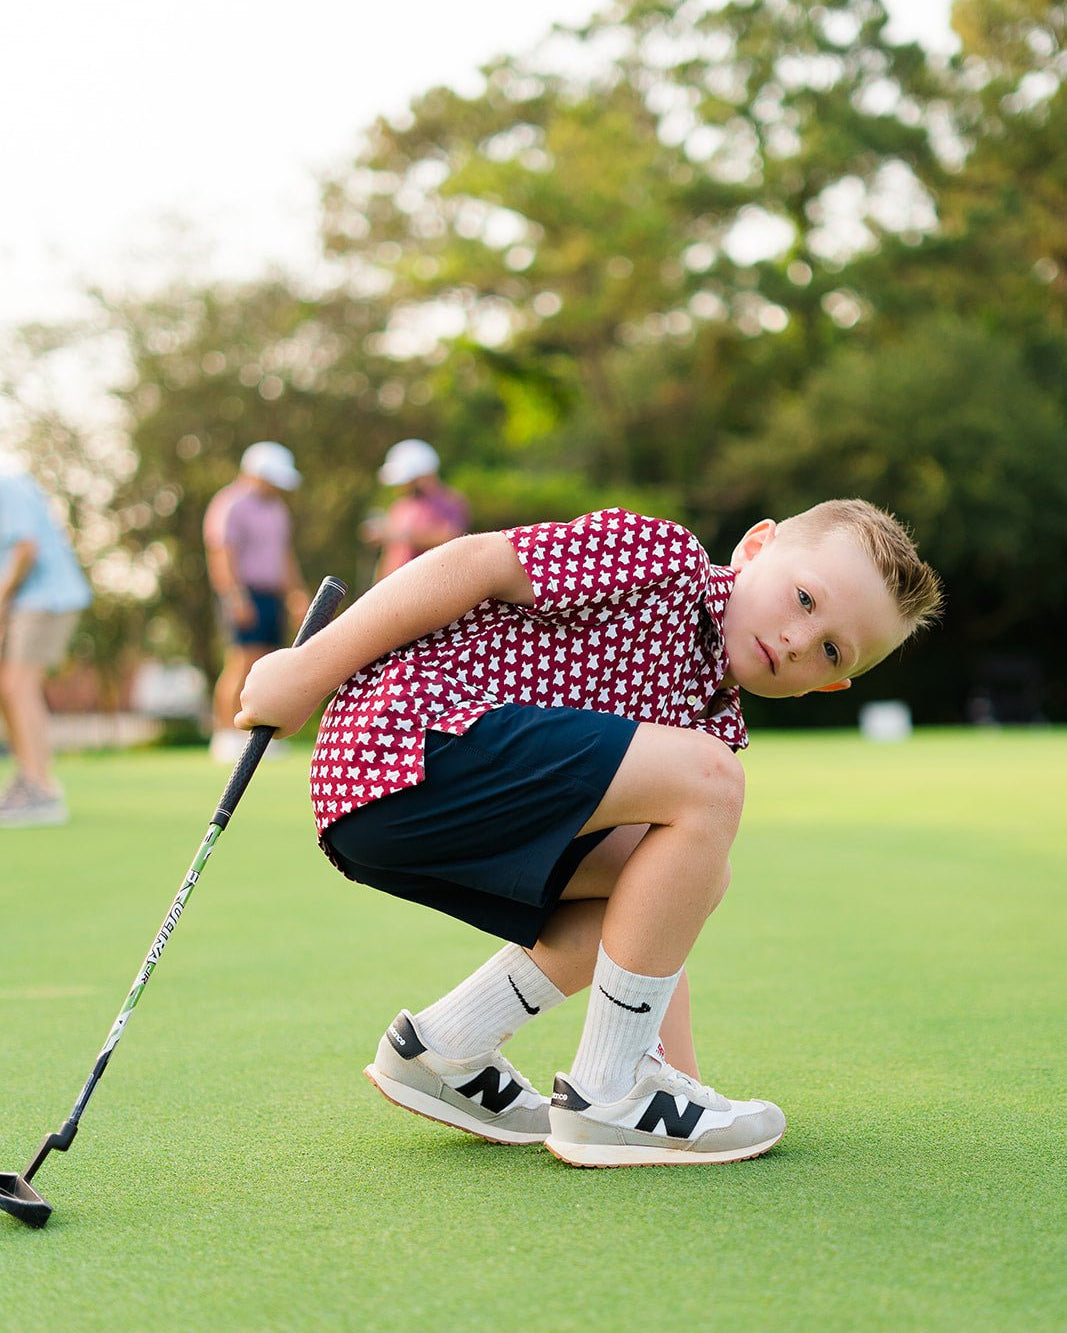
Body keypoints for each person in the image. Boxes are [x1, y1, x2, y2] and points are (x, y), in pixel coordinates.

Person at [234, 500, 943, 1168]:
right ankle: (610, 1090)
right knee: (709, 782)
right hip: (410, 742)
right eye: (804, 599)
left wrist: (682, 1093)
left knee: (672, 879)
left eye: (830, 652)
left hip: (409, 815)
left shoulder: (708, 719)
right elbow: (477, 562)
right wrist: (308, 668)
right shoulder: (664, 558)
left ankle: (446, 1048)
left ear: (831, 686)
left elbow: (655, 923)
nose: (795, 642)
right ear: (757, 545)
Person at [203, 441, 309, 762]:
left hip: (271, 594)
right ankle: (223, 734)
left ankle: (257, 736)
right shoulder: (230, 504)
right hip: (242, 592)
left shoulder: (277, 508)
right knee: (241, 660)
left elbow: (284, 556)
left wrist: (297, 593)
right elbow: (222, 553)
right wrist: (236, 597)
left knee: (267, 663)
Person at [0, 462, 92, 828]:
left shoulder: (8, 484)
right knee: (7, 687)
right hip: (25, 601)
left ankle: (42, 789)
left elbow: (27, 548)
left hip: (48, 598)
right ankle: (29, 779)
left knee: (18, 685)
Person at [361, 438, 470, 581]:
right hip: (396, 589)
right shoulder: (401, 506)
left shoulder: (450, 501)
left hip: (430, 586)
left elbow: (451, 536)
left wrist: (397, 534)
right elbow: (390, 555)